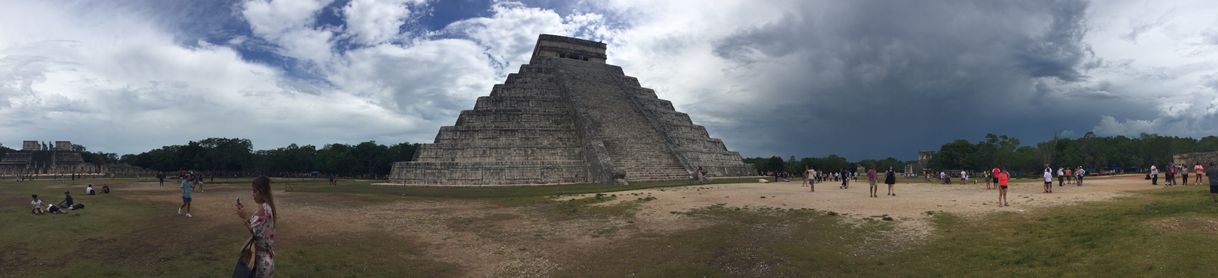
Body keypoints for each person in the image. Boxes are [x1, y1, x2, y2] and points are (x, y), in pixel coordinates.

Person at [235, 176, 277, 277]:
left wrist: (244, 216)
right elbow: (258, 229)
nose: (252, 194)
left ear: (261, 192)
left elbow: (255, 233)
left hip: (261, 262)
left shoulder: (265, 209)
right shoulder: (266, 207)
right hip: (263, 258)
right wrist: (244, 216)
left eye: (254, 191)